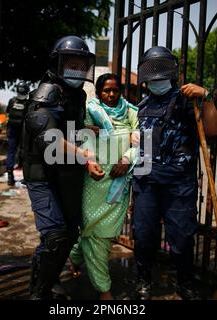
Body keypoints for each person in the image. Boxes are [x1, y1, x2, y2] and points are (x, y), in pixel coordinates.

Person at [18, 35, 105, 300]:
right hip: (42, 175)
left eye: (81, 65)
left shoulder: (76, 94)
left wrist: (83, 129)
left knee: (68, 233)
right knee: (55, 235)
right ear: (57, 64)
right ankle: (38, 292)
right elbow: (47, 137)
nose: (76, 71)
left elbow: (64, 127)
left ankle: (48, 277)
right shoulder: (48, 91)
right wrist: (86, 157)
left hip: (66, 173)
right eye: (71, 64)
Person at [132, 46, 217, 300]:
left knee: (181, 238)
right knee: (145, 234)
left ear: (172, 72)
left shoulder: (187, 99)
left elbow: (213, 130)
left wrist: (207, 96)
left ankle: (184, 281)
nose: (157, 77)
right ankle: (143, 278)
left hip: (179, 184)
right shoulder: (142, 105)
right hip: (146, 181)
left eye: (161, 70)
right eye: (152, 71)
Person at [69, 73, 139, 300]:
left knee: (102, 233)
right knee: (95, 232)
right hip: (94, 180)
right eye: (106, 91)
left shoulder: (131, 112)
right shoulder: (90, 110)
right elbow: (79, 138)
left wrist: (126, 159)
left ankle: (75, 255)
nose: (111, 95)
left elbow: (141, 142)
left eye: (115, 90)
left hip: (119, 180)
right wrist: (90, 160)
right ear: (98, 93)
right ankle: (104, 289)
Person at [6, 81, 30, 186]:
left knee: (11, 151)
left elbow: (8, 114)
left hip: (12, 129)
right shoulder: (28, 103)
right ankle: (25, 176)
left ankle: (10, 177)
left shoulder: (12, 101)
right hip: (23, 130)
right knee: (24, 151)